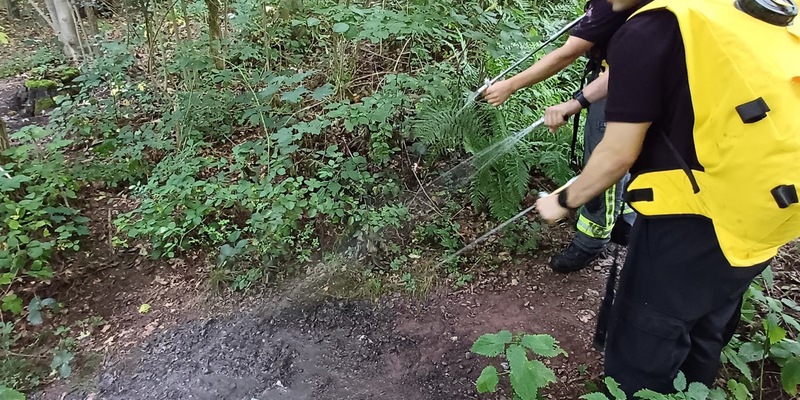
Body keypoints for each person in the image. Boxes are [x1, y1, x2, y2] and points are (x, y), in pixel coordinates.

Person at [536, 0, 800, 395]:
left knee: (645, 342)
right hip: (769, 209)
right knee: (709, 325)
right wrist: (577, 102)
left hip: (694, 215)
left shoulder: (652, 27)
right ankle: (695, 386)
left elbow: (616, 157)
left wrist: (561, 201)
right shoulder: (722, 14)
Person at [484, 0, 636, 274]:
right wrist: (576, 102)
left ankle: (592, 241)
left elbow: (568, 53)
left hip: (618, 92)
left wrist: (510, 85)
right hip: (619, 82)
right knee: (629, 155)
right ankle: (625, 224)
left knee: (604, 157)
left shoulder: (612, 5)